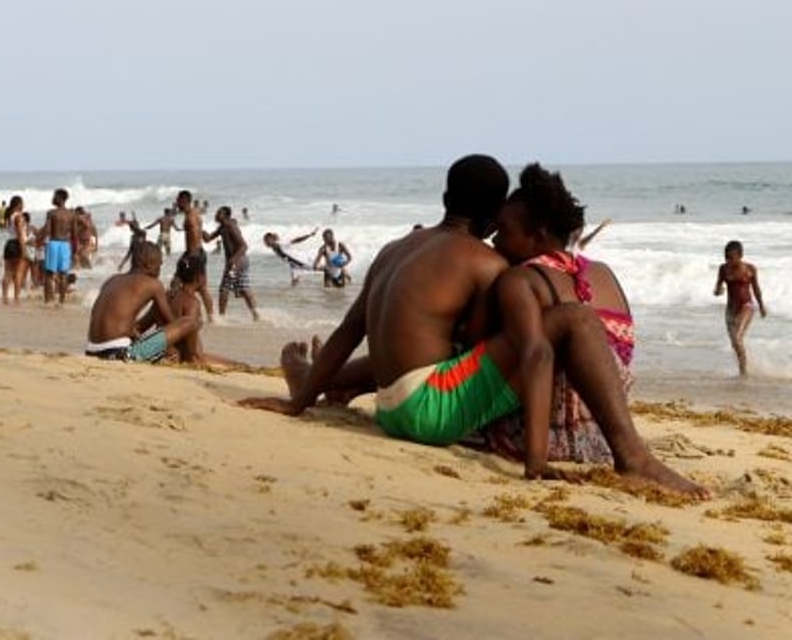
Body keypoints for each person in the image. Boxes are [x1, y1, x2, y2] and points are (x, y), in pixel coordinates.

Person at [240, 154, 707, 498]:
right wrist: (536, 464)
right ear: (492, 216)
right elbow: (526, 352)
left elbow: (348, 330)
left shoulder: (395, 247)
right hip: (430, 415)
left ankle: (314, 381)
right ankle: (634, 457)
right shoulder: (487, 264)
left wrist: (297, 406)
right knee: (573, 321)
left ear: (445, 199)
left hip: (390, 406)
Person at [484, 164, 635, 464]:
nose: (495, 240)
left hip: (545, 433)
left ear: (538, 236)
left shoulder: (521, 280)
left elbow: (530, 358)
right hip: (604, 438)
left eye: (505, 231)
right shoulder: (604, 272)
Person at [85, 241, 200, 362]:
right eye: (159, 265)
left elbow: (119, 324)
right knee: (189, 322)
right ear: (149, 264)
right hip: (120, 353)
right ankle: (191, 360)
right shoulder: (153, 284)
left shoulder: (112, 280)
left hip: (91, 350)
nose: (160, 270)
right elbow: (170, 321)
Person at [164, 253, 245, 369]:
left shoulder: (167, 296)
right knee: (238, 365)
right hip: (186, 357)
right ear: (199, 278)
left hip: (169, 351)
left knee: (234, 364)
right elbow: (191, 348)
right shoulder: (192, 303)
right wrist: (198, 359)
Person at [714, 240, 766, 375]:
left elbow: (756, 289)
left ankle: (744, 372)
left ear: (740, 255)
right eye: (726, 257)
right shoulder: (723, 268)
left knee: (737, 337)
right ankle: (743, 369)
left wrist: (761, 306)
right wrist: (718, 291)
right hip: (731, 309)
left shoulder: (750, 269)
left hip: (746, 306)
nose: (729, 261)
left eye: (731, 257)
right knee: (735, 343)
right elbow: (717, 288)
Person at [206, 206, 259, 321]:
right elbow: (208, 239)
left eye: (218, 213)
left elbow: (244, 246)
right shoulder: (222, 227)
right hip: (240, 261)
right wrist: (198, 229)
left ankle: (221, 316)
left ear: (225, 215)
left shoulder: (230, 225)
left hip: (237, 261)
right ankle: (256, 314)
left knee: (224, 288)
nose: (216, 215)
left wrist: (233, 260)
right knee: (244, 288)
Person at [175, 190, 214, 322]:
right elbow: (199, 232)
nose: (176, 203)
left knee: (183, 285)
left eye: (178, 200)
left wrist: (187, 258)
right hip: (200, 252)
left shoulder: (189, 218)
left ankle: (190, 315)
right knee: (202, 288)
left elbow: (193, 235)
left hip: (193, 255)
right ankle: (211, 317)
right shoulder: (195, 213)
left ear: (183, 201)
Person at [41, 188, 75, 305]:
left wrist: (38, 241)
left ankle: (48, 301)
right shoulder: (72, 214)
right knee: (64, 274)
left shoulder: (52, 213)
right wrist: (75, 251)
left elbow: (47, 229)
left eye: (54, 196)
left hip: (54, 243)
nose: (52, 198)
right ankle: (62, 301)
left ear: (60, 198)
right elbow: (74, 234)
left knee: (49, 274)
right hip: (66, 245)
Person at [1, 195, 29, 304]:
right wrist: (24, 249)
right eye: (22, 203)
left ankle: (5, 297)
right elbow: (20, 234)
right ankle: (16, 297)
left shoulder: (9, 216)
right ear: (19, 204)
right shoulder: (19, 217)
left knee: (7, 272)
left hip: (9, 244)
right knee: (18, 273)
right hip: (17, 244)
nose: (24, 205)